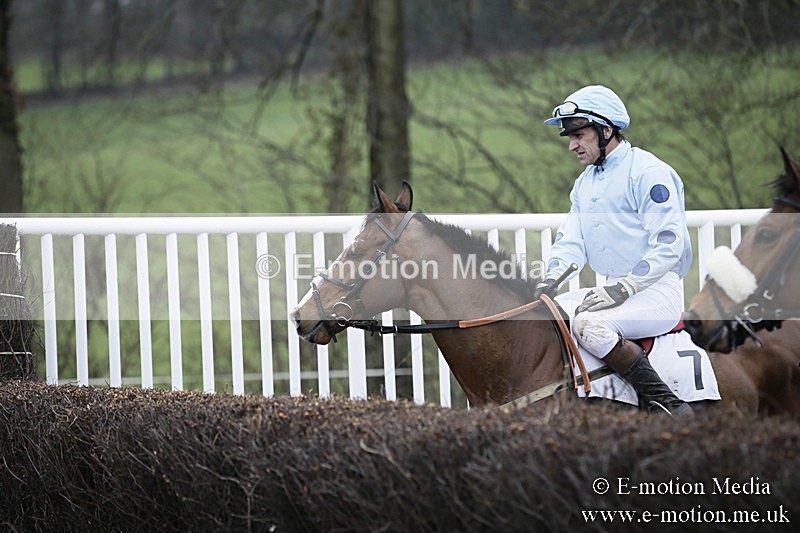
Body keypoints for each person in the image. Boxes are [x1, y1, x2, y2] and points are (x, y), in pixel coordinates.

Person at [535, 85, 693, 416]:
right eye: (569, 137)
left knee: (589, 326)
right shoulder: (585, 183)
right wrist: (547, 283)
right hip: (613, 289)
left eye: (578, 135)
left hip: (656, 293)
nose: (571, 146)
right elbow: (571, 243)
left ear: (606, 131)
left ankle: (668, 406)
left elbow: (668, 244)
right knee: (549, 318)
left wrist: (625, 287)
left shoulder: (648, 172)